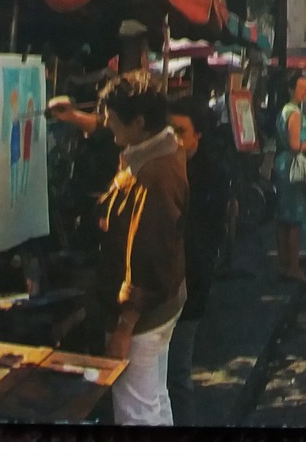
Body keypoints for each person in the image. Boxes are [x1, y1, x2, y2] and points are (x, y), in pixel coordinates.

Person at [95, 70, 187, 426]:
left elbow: (147, 256)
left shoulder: (153, 176)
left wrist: (124, 326)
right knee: (154, 399)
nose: (106, 124)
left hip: (144, 314)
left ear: (139, 122)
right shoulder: (166, 146)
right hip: (165, 303)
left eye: (113, 120)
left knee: (136, 411)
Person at [165, 94, 231, 428]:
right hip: (159, 284)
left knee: (177, 372)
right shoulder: (163, 165)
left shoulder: (210, 174)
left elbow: (203, 236)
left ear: (197, 136)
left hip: (189, 284)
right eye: (169, 130)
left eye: (180, 131)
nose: (173, 139)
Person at [273, 73, 306, 284]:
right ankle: (293, 267)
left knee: (283, 217)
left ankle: (283, 263)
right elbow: (294, 144)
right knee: (294, 218)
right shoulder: (295, 113)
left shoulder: (284, 110)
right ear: (291, 89)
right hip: (292, 165)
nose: (305, 91)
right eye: (301, 87)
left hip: (282, 163)